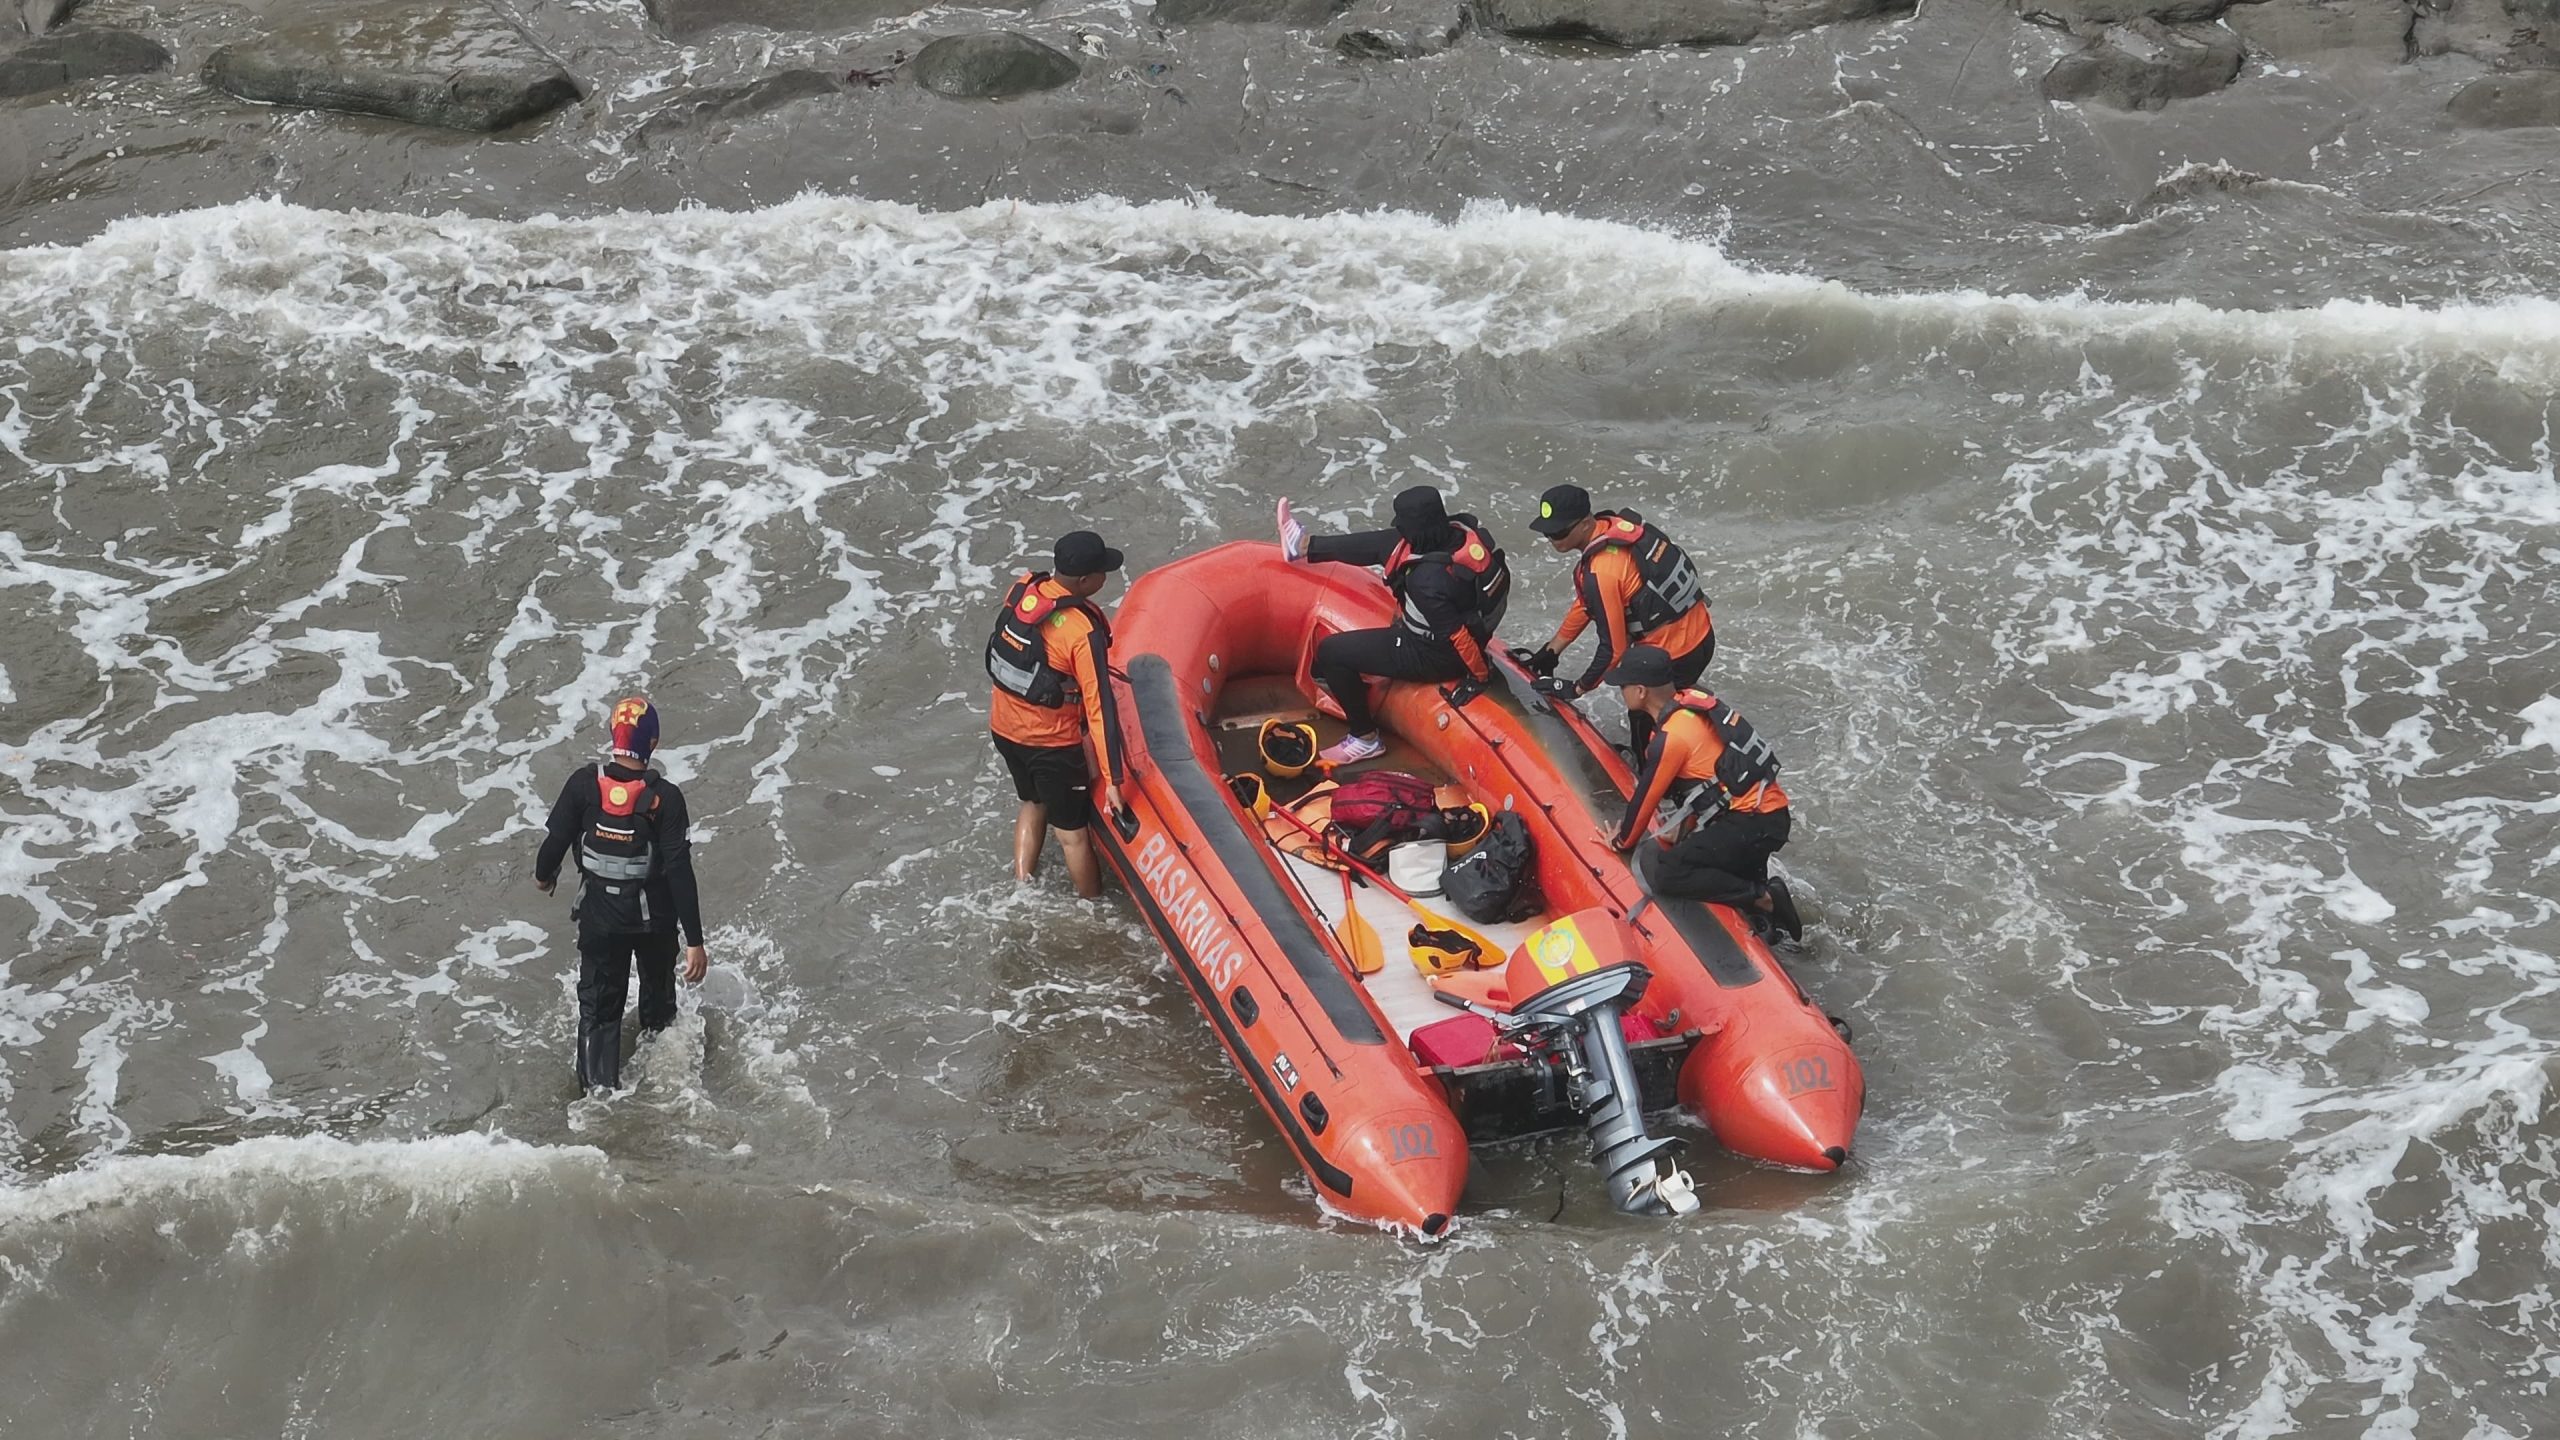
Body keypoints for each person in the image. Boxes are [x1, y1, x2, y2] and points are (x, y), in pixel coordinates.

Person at [533, 695, 709, 1092]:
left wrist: (544, 878)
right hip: (655, 924)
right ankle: (662, 1089)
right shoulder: (666, 799)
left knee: (597, 1010)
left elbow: (555, 843)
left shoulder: (583, 785)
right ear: (653, 743)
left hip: (600, 920)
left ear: (614, 737)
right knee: (659, 1006)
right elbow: (679, 870)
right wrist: (695, 942)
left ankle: (597, 1097)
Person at [1276, 485, 1512, 765]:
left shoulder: (1427, 583)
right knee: (1388, 543)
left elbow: (1456, 637)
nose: (1401, 532)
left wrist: (1479, 677)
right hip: (1463, 618)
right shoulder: (1463, 532)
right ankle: (1303, 545)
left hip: (1433, 654)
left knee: (1331, 652)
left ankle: (1364, 739)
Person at [1602, 646, 1801, 941]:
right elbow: (1712, 782)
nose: (1622, 692)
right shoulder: (1692, 709)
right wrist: (1684, 828)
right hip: (1767, 816)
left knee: (1669, 873)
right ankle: (1776, 931)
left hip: (1751, 822)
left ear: (1641, 691)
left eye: (1624, 686)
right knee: (1727, 872)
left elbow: (1644, 803)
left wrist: (1620, 841)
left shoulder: (1671, 738)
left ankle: (1764, 898)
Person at [1511, 483, 1715, 760]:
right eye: (1547, 531)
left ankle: (1656, 778)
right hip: (1700, 635)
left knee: (1642, 717)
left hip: (1676, 654)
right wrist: (1552, 649)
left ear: (1585, 524)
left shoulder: (1603, 569)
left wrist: (1576, 688)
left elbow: (1613, 650)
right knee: (1663, 704)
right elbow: (1587, 604)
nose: (1552, 538)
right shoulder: (1614, 527)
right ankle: (1689, 715)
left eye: (1559, 531)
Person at [986, 529, 1131, 898]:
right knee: (1072, 835)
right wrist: (1114, 779)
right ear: (1086, 581)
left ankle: (1021, 886)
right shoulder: (1082, 631)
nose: (1105, 578)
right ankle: (1093, 906)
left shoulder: (1023, 589)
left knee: (1032, 802)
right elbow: (1099, 706)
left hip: (1004, 729)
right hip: (1050, 744)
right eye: (1103, 572)